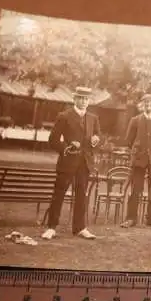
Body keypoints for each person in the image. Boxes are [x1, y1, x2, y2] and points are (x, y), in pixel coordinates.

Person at [41, 87, 101, 240]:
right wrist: (67, 147)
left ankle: (80, 228)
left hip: (85, 163)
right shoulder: (64, 116)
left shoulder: (93, 118)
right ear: (74, 99)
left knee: (82, 195)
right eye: (80, 98)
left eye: (86, 99)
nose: (83, 101)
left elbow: (98, 138)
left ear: (89, 101)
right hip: (67, 162)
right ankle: (51, 227)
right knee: (59, 193)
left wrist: (96, 140)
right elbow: (52, 141)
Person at [121, 93, 151, 228]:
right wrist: (138, 150)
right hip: (139, 159)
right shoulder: (135, 120)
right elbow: (129, 140)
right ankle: (131, 218)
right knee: (136, 189)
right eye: (146, 103)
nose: (148, 105)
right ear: (142, 105)